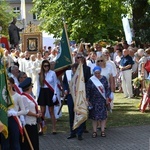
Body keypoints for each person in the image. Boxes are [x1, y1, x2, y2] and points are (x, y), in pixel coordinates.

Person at [1, 77, 27, 150]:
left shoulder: (18, 96)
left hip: (14, 120)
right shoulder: (2, 97)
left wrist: (15, 113)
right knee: (4, 144)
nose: (7, 85)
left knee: (15, 143)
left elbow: (24, 110)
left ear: (13, 85)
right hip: (4, 120)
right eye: (6, 84)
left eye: (9, 83)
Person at [86, 66, 110, 138]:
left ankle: (102, 131)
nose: (97, 75)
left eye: (98, 73)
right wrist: (87, 100)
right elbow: (88, 90)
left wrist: (107, 98)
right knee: (94, 117)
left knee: (102, 116)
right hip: (93, 100)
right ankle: (94, 131)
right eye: (96, 73)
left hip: (102, 100)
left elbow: (107, 89)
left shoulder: (104, 79)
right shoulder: (91, 80)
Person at [63, 63, 84, 140]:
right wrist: (65, 89)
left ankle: (79, 133)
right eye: (73, 69)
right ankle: (72, 132)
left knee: (79, 113)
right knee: (71, 114)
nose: (74, 71)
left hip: (79, 97)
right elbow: (65, 82)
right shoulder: (67, 73)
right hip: (70, 96)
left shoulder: (81, 74)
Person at [19, 77, 41, 150]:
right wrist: (36, 115)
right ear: (29, 87)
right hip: (28, 123)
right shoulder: (23, 97)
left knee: (34, 143)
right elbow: (26, 111)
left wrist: (38, 112)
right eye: (32, 86)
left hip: (33, 122)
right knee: (29, 144)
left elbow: (33, 106)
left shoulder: (30, 96)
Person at [37, 60, 57, 134]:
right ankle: (41, 128)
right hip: (42, 92)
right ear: (42, 66)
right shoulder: (40, 74)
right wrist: (38, 96)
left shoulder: (53, 73)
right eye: (45, 66)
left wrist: (55, 94)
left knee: (51, 111)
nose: (46, 67)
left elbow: (55, 84)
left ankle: (54, 128)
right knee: (42, 112)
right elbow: (38, 86)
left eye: (48, 65)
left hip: (50, 92)